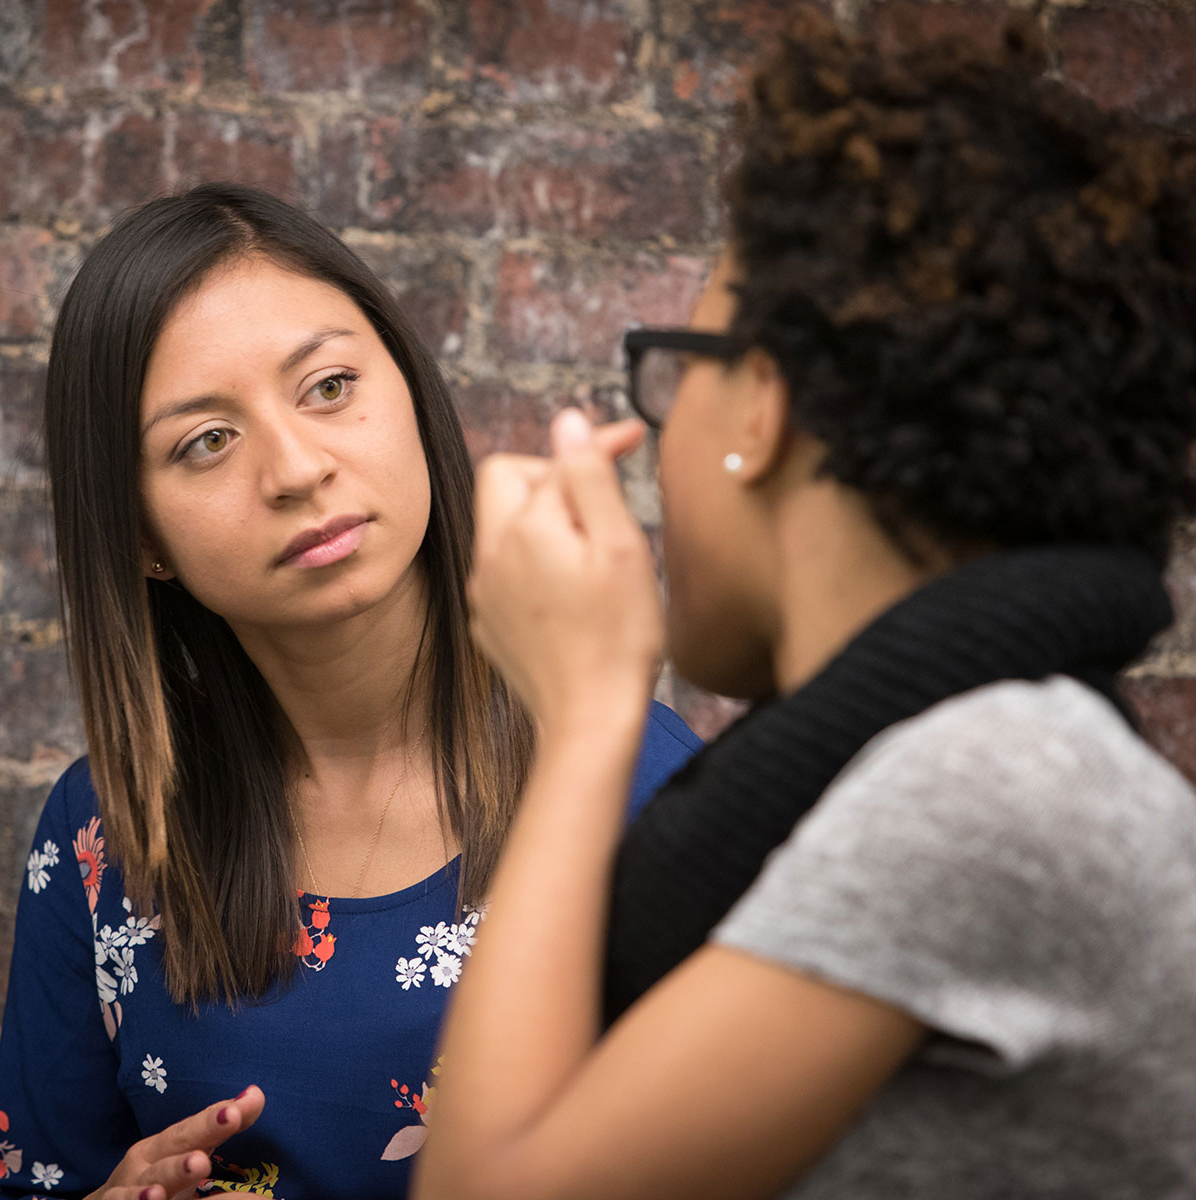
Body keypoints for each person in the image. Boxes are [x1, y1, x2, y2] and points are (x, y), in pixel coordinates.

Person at [412, 14, 1196, 1200]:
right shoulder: (936, 759)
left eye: (675, 376)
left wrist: (580, 712)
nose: (660, 435)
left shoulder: (995, 780)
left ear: (762, 406)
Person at [0, 183, 699, 1200]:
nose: (295, 468)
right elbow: (38, 1174)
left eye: (327, 387)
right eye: (206, 441)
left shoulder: (635, 779)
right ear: (142, 537)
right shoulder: (107, 831)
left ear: (409, 389)